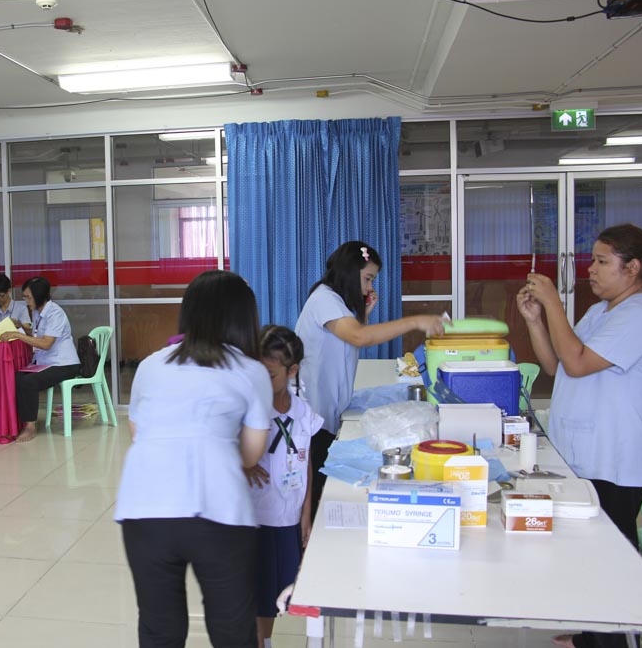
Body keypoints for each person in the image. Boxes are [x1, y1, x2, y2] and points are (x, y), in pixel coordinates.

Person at [516, 224, 642, 648]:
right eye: (593, 260)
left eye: (602, 262)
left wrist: (553, 302)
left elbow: (579, 362)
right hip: (587, 451)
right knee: (588, 554)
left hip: (613, 458)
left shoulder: (639, 315)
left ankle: (614, 641)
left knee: (612, 561)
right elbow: (557, 364)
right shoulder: (604, 311)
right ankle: (590, 636)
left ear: (632, 268)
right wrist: (536, 320)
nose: (591, 269)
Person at [115, 270, 273, 648]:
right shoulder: (252, 371)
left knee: (159, 628)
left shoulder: (150, 365)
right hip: (218, 510)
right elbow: (251, 455)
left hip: (144, 508)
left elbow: (138, 432)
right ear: (242, 319)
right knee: (232, 628)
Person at [295, 241, 446, 513]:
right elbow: (358, 338)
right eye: (367, 279)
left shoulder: (334, 301)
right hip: (313, 412)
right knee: (317, 490)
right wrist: (415, 321)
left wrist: (362, 317)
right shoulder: (324, 299)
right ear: (349, 272)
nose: (369, 287)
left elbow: (345, 342)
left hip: (327, 410)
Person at [245, 325, 322, 648]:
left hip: (288, 518)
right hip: (257, 518)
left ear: (292, 371)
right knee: (256, 593)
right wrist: (243, 464)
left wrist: (306, 514)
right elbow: (221, 444)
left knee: (277, 593)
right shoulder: (250, 410)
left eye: (270, 375)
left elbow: (306, 463)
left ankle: (266, 640)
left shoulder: (303, 412)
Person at [0, 277, 80, 442]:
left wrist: (17, 335)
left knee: (29, 382)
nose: (26, 301)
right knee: (16, 377)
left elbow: (46, 343)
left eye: (28, 297)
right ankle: (17, 423)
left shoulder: (55, 313)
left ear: (39, 296)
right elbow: (37, 335)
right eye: (24, 297)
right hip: (46, 362)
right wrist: (20, 327)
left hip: (64, 364)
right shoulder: (37, 312)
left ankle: (30, 427)